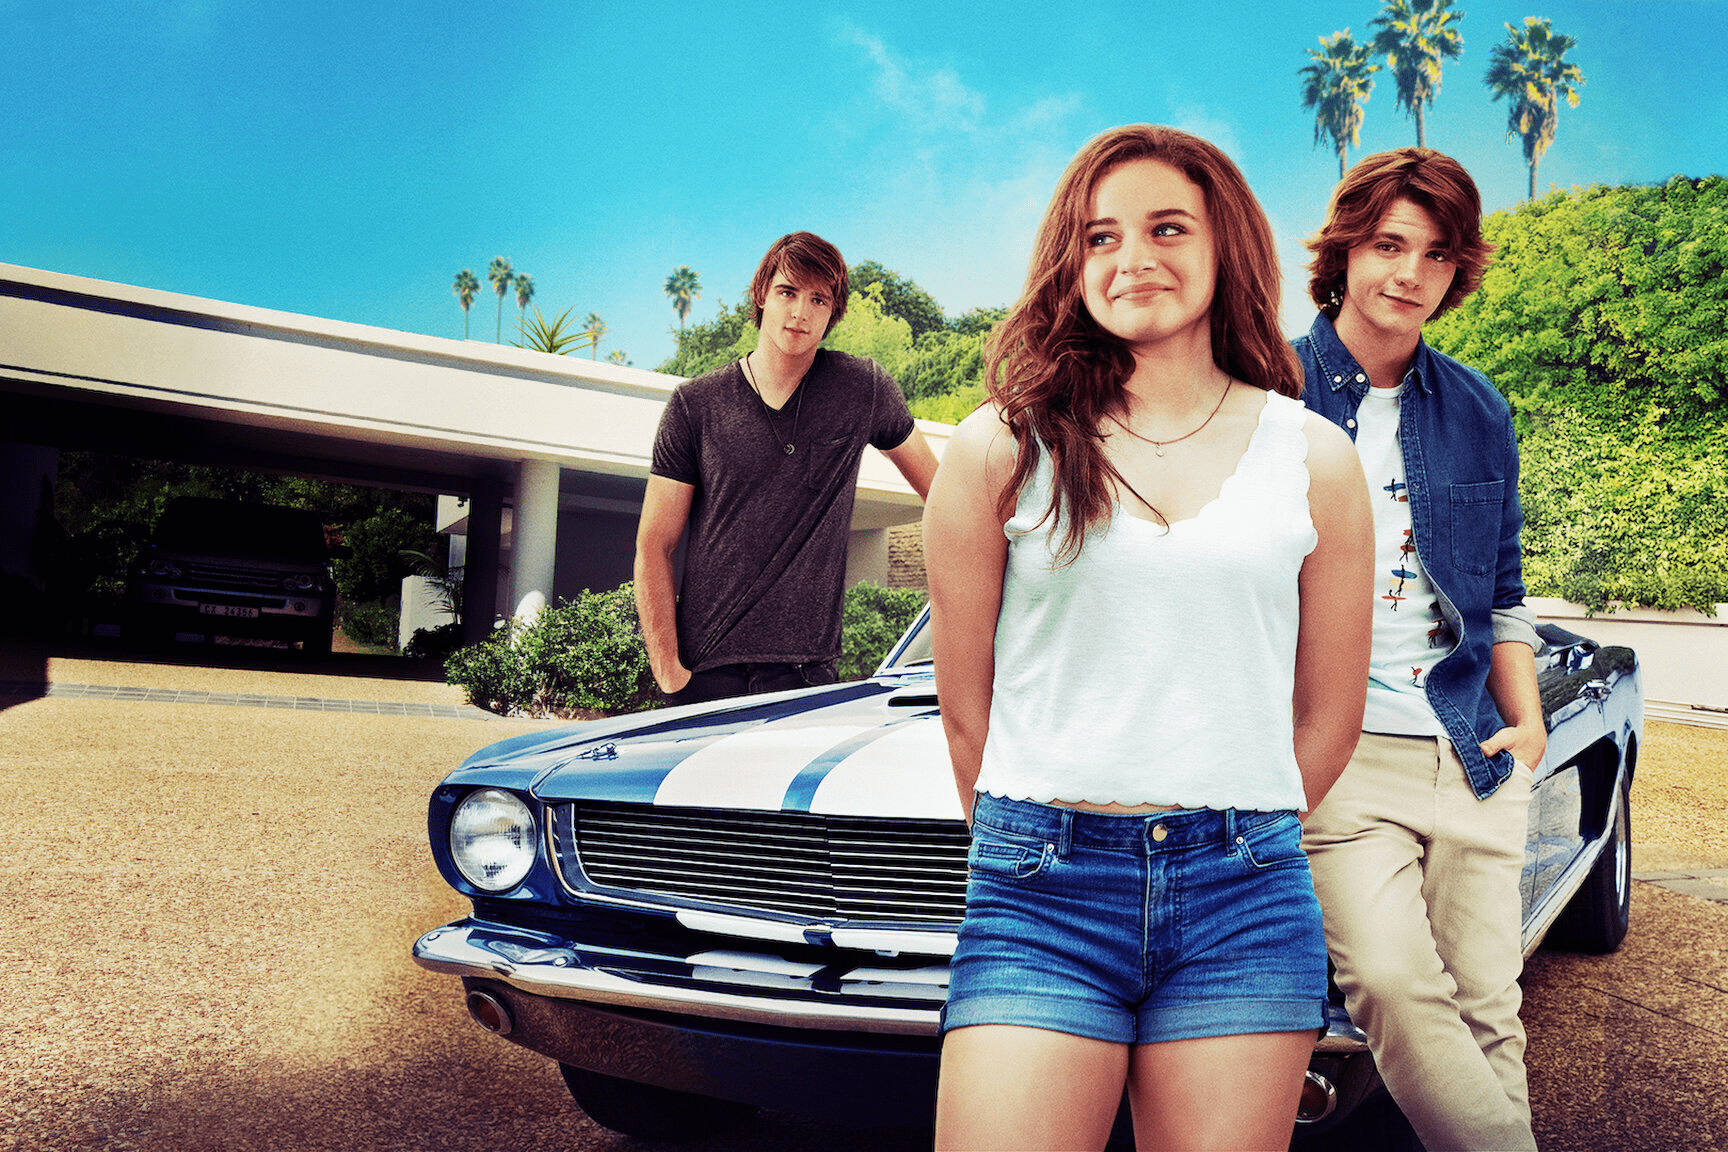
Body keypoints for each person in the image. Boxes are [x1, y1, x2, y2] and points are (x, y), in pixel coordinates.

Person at [922, 124, 1373, 1152]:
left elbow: (1328, 717)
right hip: (1041, 899)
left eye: (1167, 227)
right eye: (1098, 238)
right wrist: (1029, 842)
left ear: (1227, 246)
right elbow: (965, 710)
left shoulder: (1315, 459)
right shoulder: (1001, 445)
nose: (1132, 260)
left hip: (1244, 903)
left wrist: (1241, 833)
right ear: (1069, 265)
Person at [1294, 148, 1546, 1152]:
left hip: (1473, 754)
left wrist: (1524, 726)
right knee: (1397, 990)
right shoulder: (1266, 390)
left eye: (1436, 255)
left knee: (1490, 1011)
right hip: (1342, 764)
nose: (1409, 273)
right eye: (1389, 244)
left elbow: (1503, 587)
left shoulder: (1479, 409)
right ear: (1345, 249)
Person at [634, 231, 938, 707]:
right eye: (787, 292)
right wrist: (669, 671)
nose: (800, 312)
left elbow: (941, 495)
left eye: (819, 299)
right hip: (706, 675)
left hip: (808, 676)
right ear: (762, 294)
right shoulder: (695, 405)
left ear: (832, 313)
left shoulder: (863, 389)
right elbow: (656, 543)